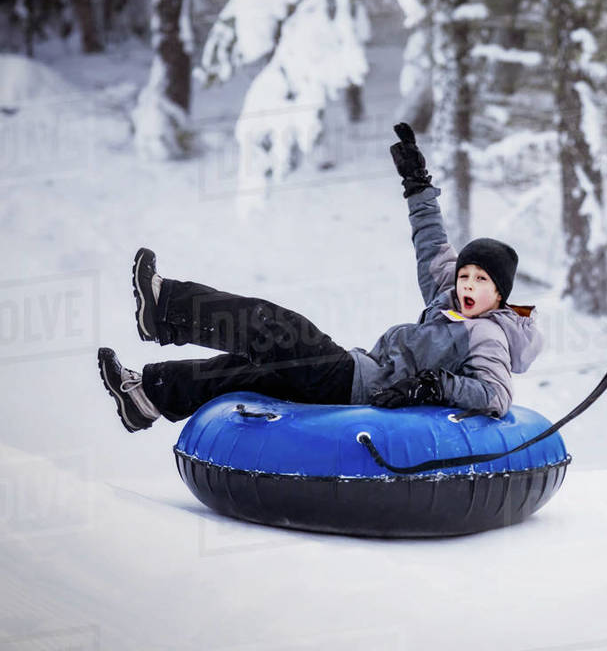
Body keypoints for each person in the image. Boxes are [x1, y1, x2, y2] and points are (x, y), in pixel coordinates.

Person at [97, 123, 543, 432]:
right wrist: (416, 182)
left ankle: (165, 309)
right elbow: (431, 241)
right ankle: (147, 396)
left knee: (272, 326)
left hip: (355, 385)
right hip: (355, 378)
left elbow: (494, 395)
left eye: (481, 280)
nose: (467, 285)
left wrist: (434, 384)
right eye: (465, 274)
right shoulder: (450, 298)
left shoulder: (488, 335)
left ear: (500, 293)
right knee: (245, 372)